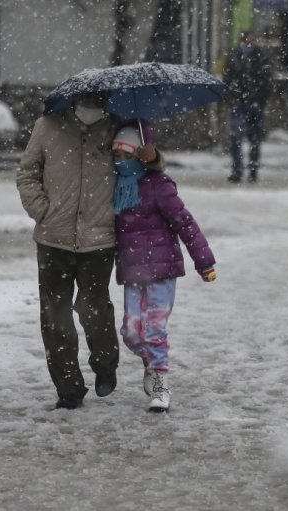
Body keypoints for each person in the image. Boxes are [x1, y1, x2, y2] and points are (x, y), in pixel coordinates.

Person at [16, 94, 163, 410]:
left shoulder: (119, 129)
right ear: (74, 98)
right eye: (86, 98)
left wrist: (152, 158)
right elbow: (27, 172)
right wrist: (42, 210)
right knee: (54, 315)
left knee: (93, 306)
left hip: (99, 239)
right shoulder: (48, 126)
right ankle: (68, 388)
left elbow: (141, 172)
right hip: (53, 238)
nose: (91, 104)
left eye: (98, 99)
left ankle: (105, 363)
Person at [112, 126, 216, 413]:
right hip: (133, 273)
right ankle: (151, 363)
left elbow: (185, 223)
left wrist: (204, 260)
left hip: (162, 271)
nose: (120, 158)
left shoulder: (158, 185)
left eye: (127, 153)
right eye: (116, 153)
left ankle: (160, 382)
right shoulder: (116, 189)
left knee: (155, 329)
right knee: (131, 332)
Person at [223, 31, 273, 183]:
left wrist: (259, 99)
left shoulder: (258, 57)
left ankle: (249, 171)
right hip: (241, 102)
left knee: (251, 139)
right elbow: (228, 78)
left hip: (251, 102)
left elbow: (266, 81)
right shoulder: (237, 56)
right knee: (240, 139)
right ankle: (242, 171)